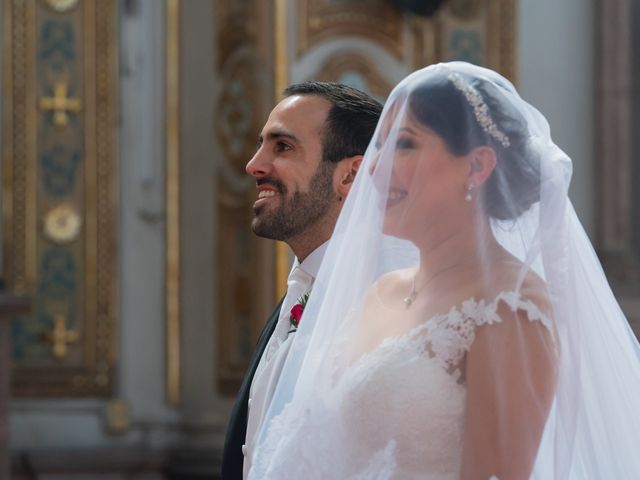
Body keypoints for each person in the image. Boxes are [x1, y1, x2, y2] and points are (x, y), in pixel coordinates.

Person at [248, 62, 640, 479]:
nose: (375, 169)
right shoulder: (382, 291)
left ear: (476, 166)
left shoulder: (508, 306)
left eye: (403, 144)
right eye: (379, 147)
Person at [221, 81, 383, 480]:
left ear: (349, 176)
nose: (253, 165)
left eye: (282, 147)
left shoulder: (389, 304)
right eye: (262, 144)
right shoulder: (299, 290)